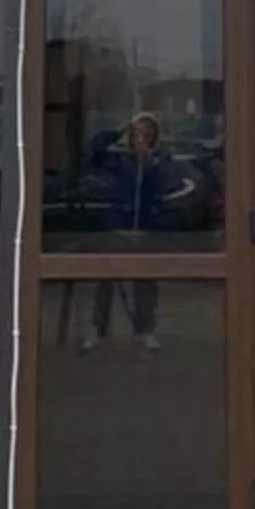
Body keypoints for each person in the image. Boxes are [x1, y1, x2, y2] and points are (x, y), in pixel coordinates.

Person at [83, 113, 188, 352]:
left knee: (146, 282)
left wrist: (148, 162)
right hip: (119, 224)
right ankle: (98, 329)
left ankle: (145, 330)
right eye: (138, 133)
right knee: (106, 282)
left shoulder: (160, 160)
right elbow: (94, 150)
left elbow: (164, 183)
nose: (142, 138)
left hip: (146, 227)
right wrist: (118, 130)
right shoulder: (119, 160)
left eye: (147, 133)